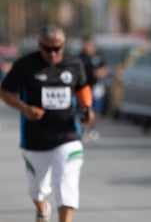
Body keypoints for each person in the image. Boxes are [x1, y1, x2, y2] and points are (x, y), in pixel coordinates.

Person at [0, 24, 95, 222]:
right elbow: (5, 92)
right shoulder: (25, 64)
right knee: (37, 189)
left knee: (65, 184)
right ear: (39, 45)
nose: (52, 54)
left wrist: (87, 108)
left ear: (63, 45)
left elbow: (82, 88)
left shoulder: (74, 63)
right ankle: (42, 208)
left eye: (57, 48)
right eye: (47, 49)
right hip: (35, 138)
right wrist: (25, 109)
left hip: (67, 136)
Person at [79, 35, 108, 141]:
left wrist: (99, 73)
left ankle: (93, 129)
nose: (86, 47)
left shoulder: (98, 56)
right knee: (85, 107)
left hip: (96, 86)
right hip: (84, 86)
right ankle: (85, 128)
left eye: (88, 45)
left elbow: (105, 68)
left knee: (95, 109)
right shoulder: (80, 56)